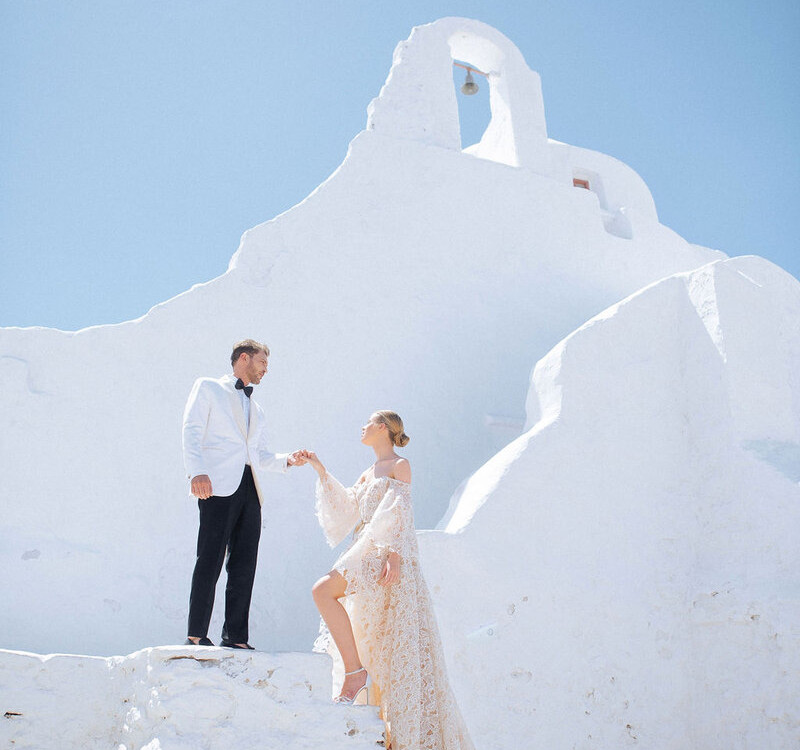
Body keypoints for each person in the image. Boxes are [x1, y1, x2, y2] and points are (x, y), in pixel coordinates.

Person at [301, 411, 474, 750]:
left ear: (382, 428)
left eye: (367, 422)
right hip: (363, 549)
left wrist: (395, 554)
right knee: (345, 611)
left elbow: (401, 511)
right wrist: (319, 469)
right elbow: (347, 510)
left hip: (384, 555)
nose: (361, 427)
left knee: (327, 594)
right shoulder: (367, 473)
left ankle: (358, 678)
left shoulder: (400, 464)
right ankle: (356, 673)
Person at [182, 339, 305, 649]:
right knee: (209, 558)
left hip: (250, 487)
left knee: (244, 564)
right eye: (262, 363)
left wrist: (288, 459)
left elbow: (259, 453)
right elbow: (192, 429)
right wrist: (196, 470)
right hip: (217, 483)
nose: (266, 370)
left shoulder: (257, 408)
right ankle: (196, 634)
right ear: (245, 358)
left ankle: (235, 636)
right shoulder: (209, 387)